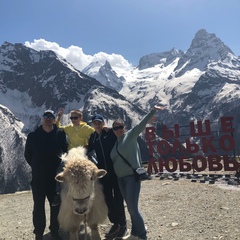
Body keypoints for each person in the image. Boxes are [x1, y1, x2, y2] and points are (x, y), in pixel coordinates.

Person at [110, 105, 165, 240]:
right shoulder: (116, 143)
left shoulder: (130, 136)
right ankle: (135, 233)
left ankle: (142, 235)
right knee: (130, 207)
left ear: (124, 127)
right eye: (115, 128)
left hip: (131, 178)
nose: (118, 130)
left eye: (120, 127)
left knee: (133, 209)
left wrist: (153, 110)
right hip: (120, 179)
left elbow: (142, 124)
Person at [24, 110, 68, 240]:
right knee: (38, 207)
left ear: (54, 119)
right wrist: (37, 167)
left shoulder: (60, 134)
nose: (48, 119)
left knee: (55, 206)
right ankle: (39, 233)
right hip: (38, 179)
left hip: (55, 179)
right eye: (46, 116)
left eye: (51, 117)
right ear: (42, 118)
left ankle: (54, 230)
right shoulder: (33, 136)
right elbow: (28, 155)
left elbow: (65, 151)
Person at [87, 114, 127, 239]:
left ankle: (122, 224)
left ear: (103, 123)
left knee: (118, 198)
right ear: (93, 124)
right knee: (107, 198)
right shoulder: (93, 137)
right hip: (103, 172)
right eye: (95, 123)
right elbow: (89, 150)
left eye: (99, 122)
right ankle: (116, 222)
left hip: (115, 170)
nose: (97, 125)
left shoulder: (109, 133)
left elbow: (121, 140)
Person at [51, 108, 95, 206]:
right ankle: (58, 193)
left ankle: (96, 191)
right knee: (59, 170)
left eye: (75, 118)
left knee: (95, 167)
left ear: (81, 118)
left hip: (83, 153)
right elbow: (58, 126)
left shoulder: (86, 128)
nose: (73, 120)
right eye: (71, 118)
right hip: (71, 154)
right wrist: (59, 117)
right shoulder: (69, 128)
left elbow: (96, 132)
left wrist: (104, 127)